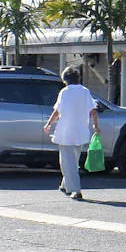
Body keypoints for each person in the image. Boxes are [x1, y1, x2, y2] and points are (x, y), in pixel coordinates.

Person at [44, 65, 100, 200]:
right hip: (81, 131)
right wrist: (95, 125)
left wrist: (48, 124)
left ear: (65, 79)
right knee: (73, 161)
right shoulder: (85, 91)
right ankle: (65, 185)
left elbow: (57, 111)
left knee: (66, 163)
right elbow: (93, 110)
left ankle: (76, 190)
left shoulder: (65, 92)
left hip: (65, 131)